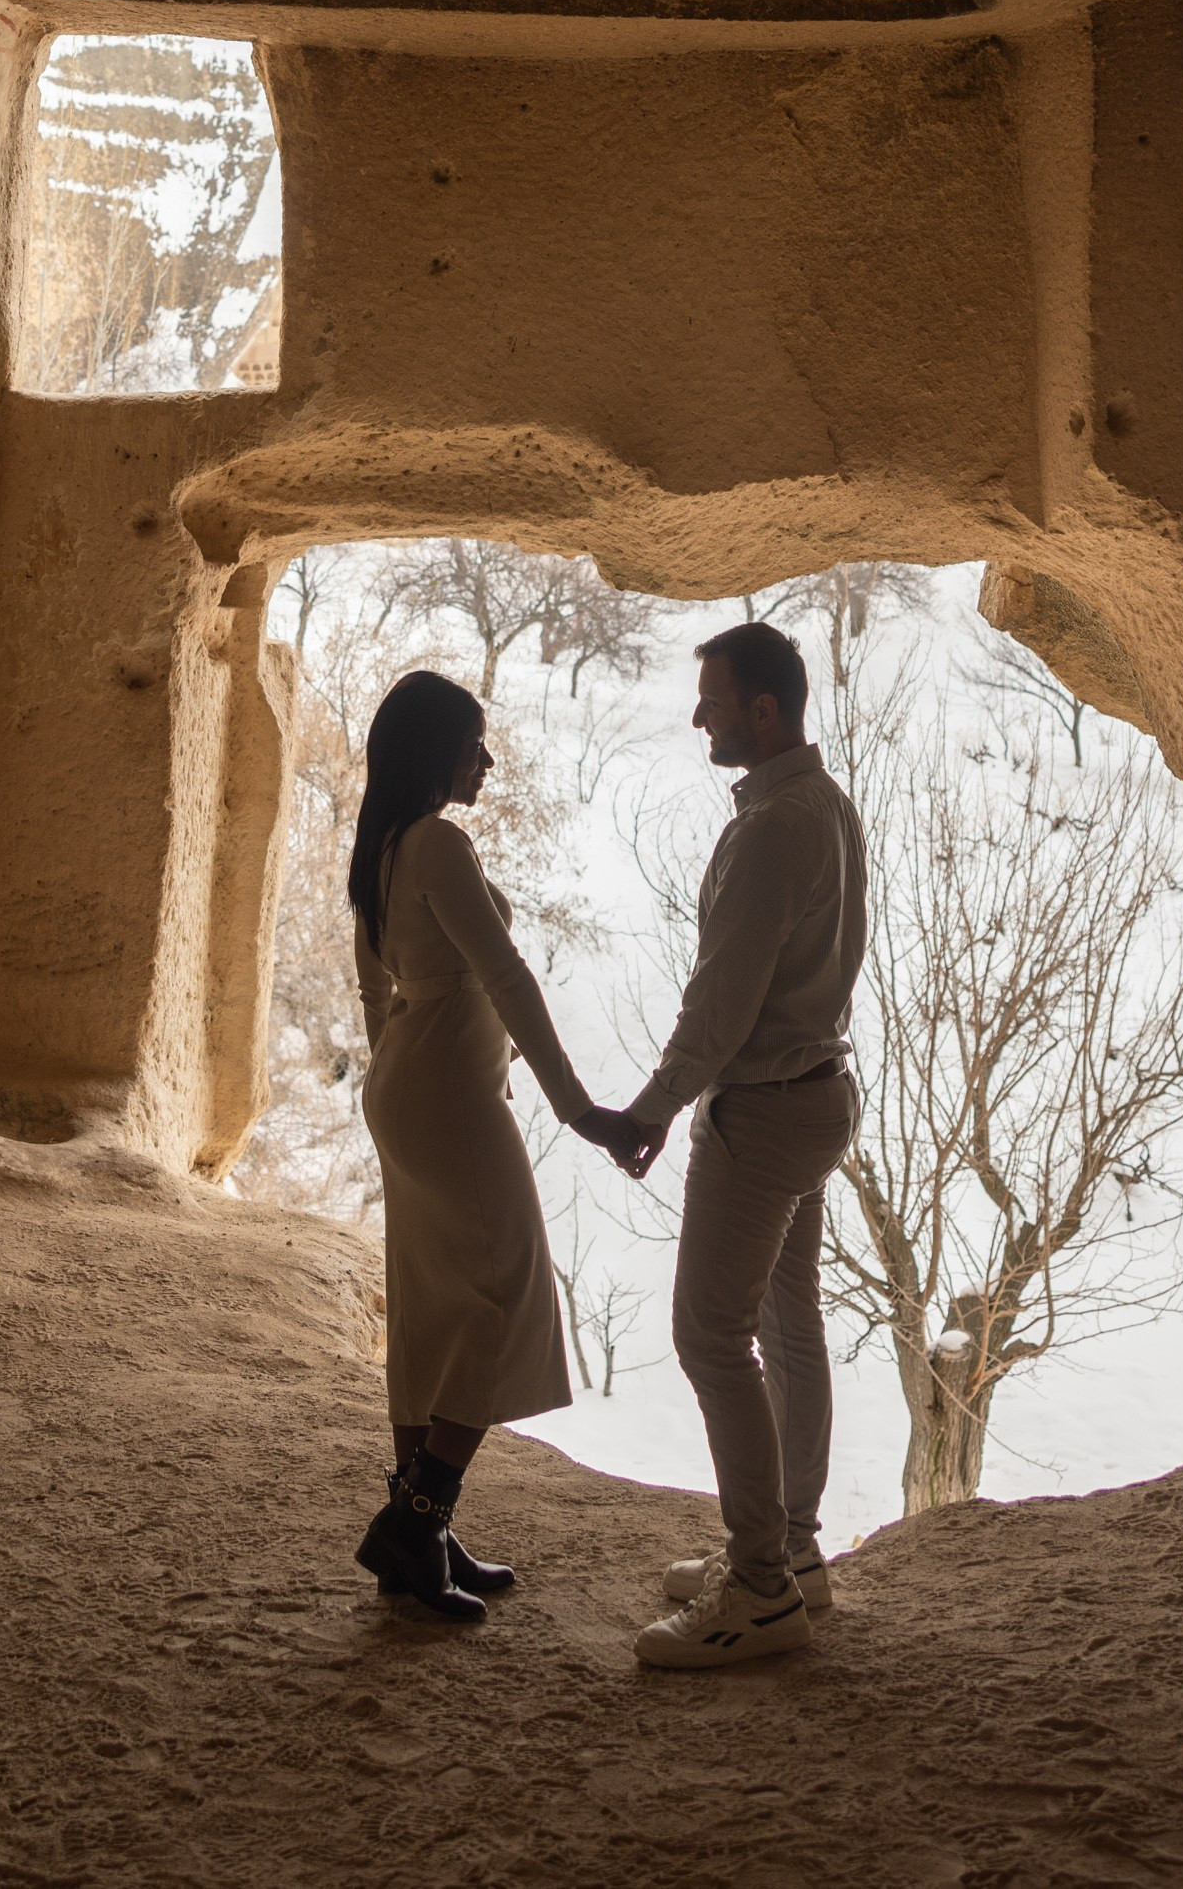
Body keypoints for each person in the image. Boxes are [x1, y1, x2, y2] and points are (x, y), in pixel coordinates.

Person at [348, 666, 646, 1624]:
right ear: (439, 751)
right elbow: (509, 978)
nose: (489, 757)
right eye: (476, 740)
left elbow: (373, 993)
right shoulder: (438, 842)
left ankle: (417, 1537)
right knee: (502, 1290)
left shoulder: (382, 845)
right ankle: (420, 1520)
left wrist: (391, 1084)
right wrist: (577, 1108)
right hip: (446, 1095)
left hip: (409, 1083)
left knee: (434, 1304)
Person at [618, 617, 869, 1672]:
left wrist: (654, 1104)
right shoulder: (826, 804)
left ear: (763, 711)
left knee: (712, 1334)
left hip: (762, 1108)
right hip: (817, 1090)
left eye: (714, 701)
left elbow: (722, 1000)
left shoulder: (771, 827)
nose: (699, 718)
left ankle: (761, 1585)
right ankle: (795, 1551)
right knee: (789, 1318)